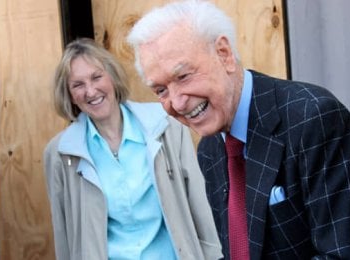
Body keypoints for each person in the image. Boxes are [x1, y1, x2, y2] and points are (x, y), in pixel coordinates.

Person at [127, 1, 350, 259]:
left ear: (224, 54)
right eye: (161, 90)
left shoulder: (313, 119)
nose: (176, 103)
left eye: (183, 76)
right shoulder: (210, 149)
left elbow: (349, 254)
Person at [42, 38, 222, 260]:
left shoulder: (166, 126)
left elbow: (199, 204)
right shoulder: (61, 154)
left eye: (96, 77)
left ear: (112, 77)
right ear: (69, 95)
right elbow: (63, 233)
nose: (90, 91)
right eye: (78, 85)